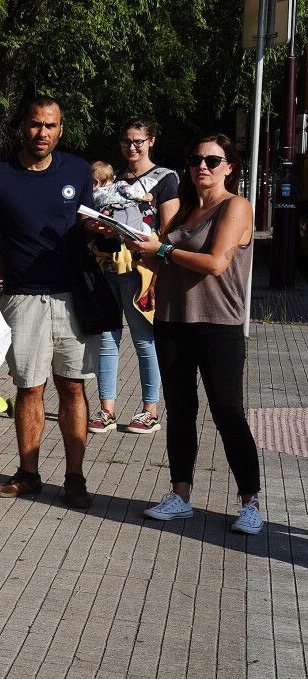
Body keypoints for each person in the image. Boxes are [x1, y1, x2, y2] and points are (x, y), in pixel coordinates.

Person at [125, 133, 263, 534]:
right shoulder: (184, 211)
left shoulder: (236, 207)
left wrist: (163, 250)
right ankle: (180, 495)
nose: (202, 166)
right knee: (180, 410)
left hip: (218, 324)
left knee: (227, 412)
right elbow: (169, 265)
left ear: (230, 167)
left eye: (213, 160)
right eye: (195, 159)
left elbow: (217, 263)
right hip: (172, 321)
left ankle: (250, 501)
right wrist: (141, 249)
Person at [0, 96, 98, 509]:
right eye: (36, 125)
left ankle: (75, 478)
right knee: (29, 387)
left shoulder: (77, 169)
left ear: (61, 129)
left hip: (72, 295)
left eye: (51, 126)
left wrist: (99, 231)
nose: (43, 133)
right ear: (24, 127)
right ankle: (28, 473)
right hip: (22, 297)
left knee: (72, 386)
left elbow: (88, 222)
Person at [87, 120, 180, 436]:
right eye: (126, 141)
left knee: (143, 339)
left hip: (142, 269)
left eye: (138, 141)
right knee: (107, 339)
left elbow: (169, 230)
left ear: (151, 141)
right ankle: (107, 409)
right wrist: (94, 225)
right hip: (107, 265)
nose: (132, 147)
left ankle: (149, 410)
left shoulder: (165, 179)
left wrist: (159, 269)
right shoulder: (113, 181)